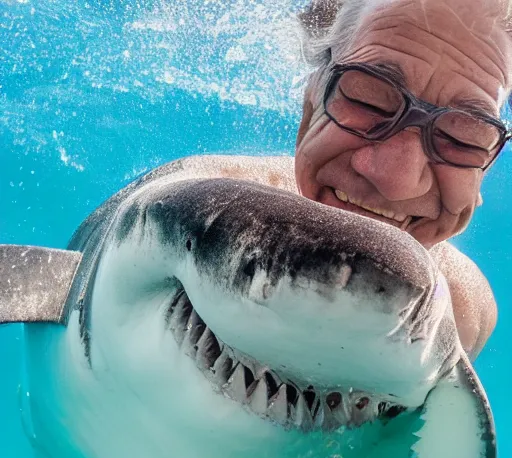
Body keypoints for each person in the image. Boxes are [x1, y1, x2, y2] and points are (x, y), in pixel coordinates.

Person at [178, 0, 512, 359]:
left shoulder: (461, 315)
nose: (396, 180)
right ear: (310, 109)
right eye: (369, 100)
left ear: (482, 173)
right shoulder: (192, 217)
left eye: (463, 138)